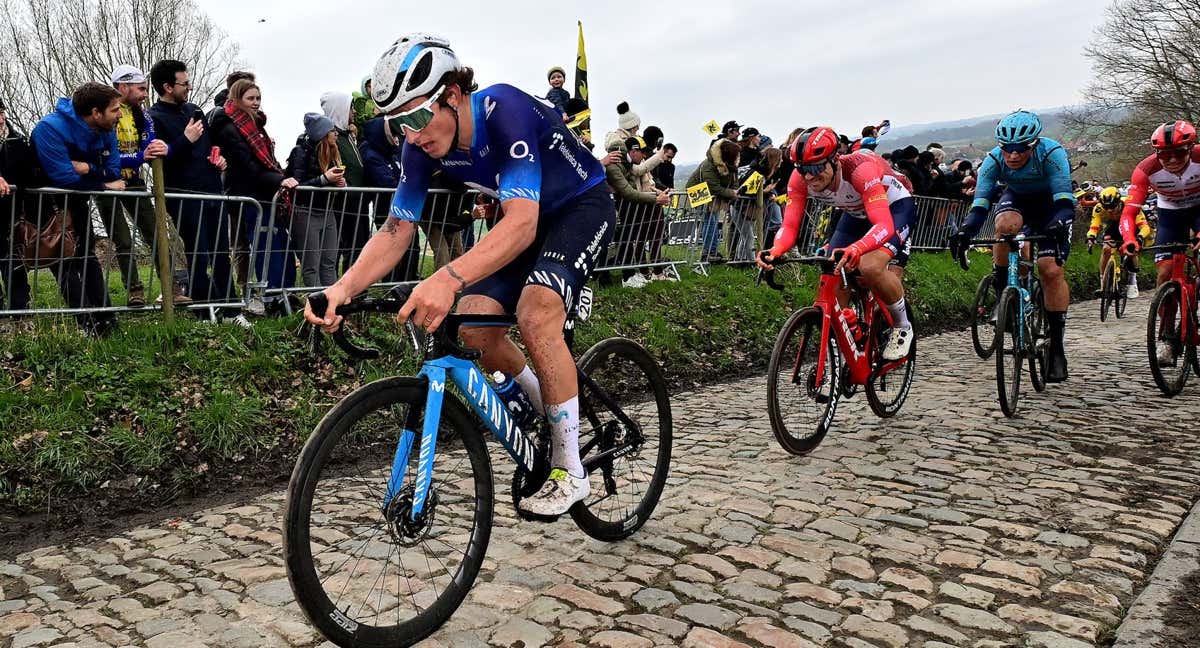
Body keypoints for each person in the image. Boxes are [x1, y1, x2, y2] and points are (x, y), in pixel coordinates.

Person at [306, 33, 615, 516]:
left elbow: (522, 223)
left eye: (415, 116)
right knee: (473, 326)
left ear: (452, 94)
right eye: (397, 124)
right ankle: (544, 407)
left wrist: (446, 278)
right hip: (522, 218)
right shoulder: (421, 146)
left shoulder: (504, 110)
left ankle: (568, 467)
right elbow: (395, 229)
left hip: (578, 208)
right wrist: (341, 289)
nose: (411, 135)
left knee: (536, 314)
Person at [758, 126, 916, 362]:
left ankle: (902, 326)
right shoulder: (800, 180)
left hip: (894, 210)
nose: (809, 176)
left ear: (835, 160)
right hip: (856, 214)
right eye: (803, 169)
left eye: (816, 167)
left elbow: (883, 224)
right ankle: (847, 344)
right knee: (832, 269)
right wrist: (775, 250)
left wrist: (858, 248)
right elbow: (790, 225)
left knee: (870, 266)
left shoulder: (860, 171)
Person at [949, 110, 1076, 382]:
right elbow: (981, 203)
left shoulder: (1052, 154)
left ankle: (1056, 346)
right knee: (1004, 225)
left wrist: (1057, 225)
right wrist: (965, 231)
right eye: (1008, 148)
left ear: (1034, 144)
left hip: (1052, 208)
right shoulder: (994, 159)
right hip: (1018, 200)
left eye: (1021, 149)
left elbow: (1065, 203)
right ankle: (1002, 290)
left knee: (1049, 270)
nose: (1014, 155)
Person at [30, 82, 125, 335]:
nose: (120, 115)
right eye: (115, 109)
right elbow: (63, 178)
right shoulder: (49, 129)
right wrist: (104, 185)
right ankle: (86, 324)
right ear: (96, 112)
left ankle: (107, 321)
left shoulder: (107, 129)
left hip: (78, 201)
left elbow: (115, 170)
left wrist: (89, 169)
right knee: (63, 261)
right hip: (47, 206)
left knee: (87, 257)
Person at [147, 59, 239, 315]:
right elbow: (161, 157)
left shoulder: (195, 110)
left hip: (212, 190)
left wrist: (218, 159)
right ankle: (202, 310)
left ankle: (231, 309)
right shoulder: (154, 118)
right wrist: (185, 140)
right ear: (167, 86)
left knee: (221, 252)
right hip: (184, 195)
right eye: (184, 83)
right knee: (198, 253)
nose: (189, 87)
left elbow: (209, 145)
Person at [100, 65, 192, 307]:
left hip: (134, 181)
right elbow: (109, 156)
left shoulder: (144, 115)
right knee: (122, 239)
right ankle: (134, 291)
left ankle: (171, 287)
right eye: (140, 88)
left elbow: (150, 147)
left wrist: (143, 155)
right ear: (122, 87)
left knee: (155, 232)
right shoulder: (105, 112)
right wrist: (139, 157)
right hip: (106, 183)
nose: (145, 93)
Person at [210, 79, 299, 315]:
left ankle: (285, 293)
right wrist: (278, 180)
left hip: (266, 193)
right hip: (249, 194)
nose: (256, 103)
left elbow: (266, 159)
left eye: (258, 98)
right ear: (238, 99)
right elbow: (247, 166)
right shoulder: (230, 128)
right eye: (251, 99)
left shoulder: (256, 124)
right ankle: (270, 296)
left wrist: (280, 177)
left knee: (279, 245)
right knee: (263, 247)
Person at [1120, 120, 1200, 366]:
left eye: (1179, 153)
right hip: (1170, 214)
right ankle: (1167, 339)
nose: (1172, 160)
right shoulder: (1146, 169)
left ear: (1191, 149)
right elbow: (1128, 213)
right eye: (1165, 155)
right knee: (1165, 272)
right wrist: (1129, 238)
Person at [285, 113, 345, 288]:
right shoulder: (300, 152)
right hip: (305, 212)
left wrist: (340, 182)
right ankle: (316, 305)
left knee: (329, 262)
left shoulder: (333, 152)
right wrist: (324, 179)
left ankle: (332, 304)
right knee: (311, 264)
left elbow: (327, 180)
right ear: (322, 133)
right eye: (332, 130)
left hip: (327, 212)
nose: (336, 134)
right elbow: (298, 185)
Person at [605, 135, 669, 287]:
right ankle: (624, 276)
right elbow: (628, 191)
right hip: (619, 207)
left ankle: (629, 274)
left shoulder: (624, 165)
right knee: (624, 240)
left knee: (628, 239)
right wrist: (655, 198)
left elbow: (639, 173)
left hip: (629, 207)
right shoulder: (614, 167)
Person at [321, 91, 371, 272]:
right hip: (343, 204)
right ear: (340, 109)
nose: (354, 112)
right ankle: (341, 291)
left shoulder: (347, 135)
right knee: (342, 247)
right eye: (350, 108)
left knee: (358, 247)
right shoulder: (329, 138)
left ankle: (355, 291)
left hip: (357, 202)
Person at [0, 97, 33, 311]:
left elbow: (29, 175)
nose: (0, 119)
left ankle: (20, 311)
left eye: (1, 112)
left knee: (14, 262)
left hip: (12, 213)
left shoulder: (17, 141)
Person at [687, 139, 740, 263]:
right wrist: (732, 193)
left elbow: (734, 181)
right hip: (699, 192)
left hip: (713, 195)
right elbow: (713, 186)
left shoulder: (730, 166)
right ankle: (708, 252)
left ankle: (712, 251)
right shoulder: (709, 165)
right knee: (709, 220)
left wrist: (733, 191)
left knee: (713, 220)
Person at [1088, 186, 1147, 298]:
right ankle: (1103, 283)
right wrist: (1091, 237)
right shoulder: (1099, 208)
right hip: (1113, 226)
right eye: (1106, 207)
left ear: (1119, 201)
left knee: (1131, 250)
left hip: (1130, 224)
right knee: (1106, 249)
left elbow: (1144, 227)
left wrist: (1140, 237)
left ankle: (1132, 281)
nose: (1109, 210)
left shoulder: (1130, 205)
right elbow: (1094, 225)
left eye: (1112, 206)